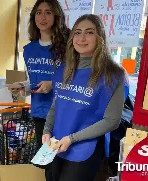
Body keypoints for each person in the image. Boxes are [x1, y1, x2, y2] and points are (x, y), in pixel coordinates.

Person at [42, 14, 129, 181]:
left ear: (100, 37)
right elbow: (56, 106)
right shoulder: (63, 70)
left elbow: (112, 120)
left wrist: (72, 138)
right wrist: (46, 131)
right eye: (77, 32)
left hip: (85, 149)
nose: (81, 38)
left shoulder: (113, 75)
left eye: (89, 32)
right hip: (55, 145)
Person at [9, 0, 70, 180]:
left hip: (62, 113)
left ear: (57, 16)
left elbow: (76, 79)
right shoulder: (29, 49)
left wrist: (53, 84)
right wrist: (22, 88)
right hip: (39, 112)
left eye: (48, 12)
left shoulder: (68, 46)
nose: (43, 17)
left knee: (61, 164)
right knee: (48, 164)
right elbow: (33, 82)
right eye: (39, 12)